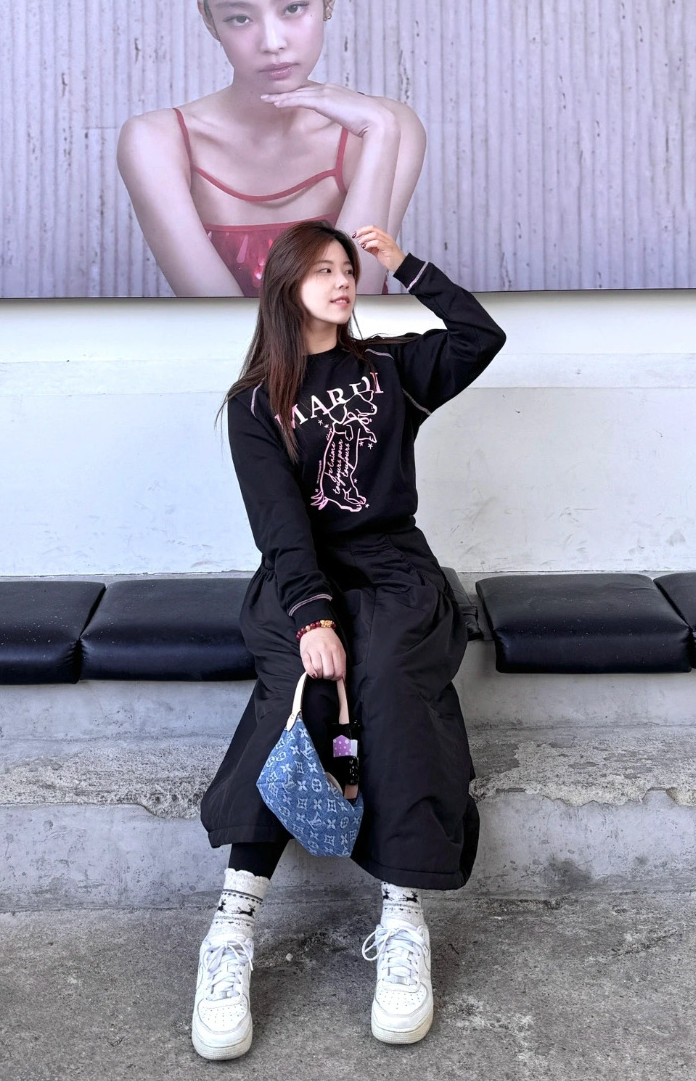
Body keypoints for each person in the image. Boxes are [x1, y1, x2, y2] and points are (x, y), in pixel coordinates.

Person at [191, 218, 506, 1059]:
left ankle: (402, 915)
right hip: (302, 576)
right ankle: (233, 922)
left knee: (393, 683)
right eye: (322, 270)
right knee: (302, 697)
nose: (341, 281)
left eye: (348, 269)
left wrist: (409, 264)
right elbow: (280, 523)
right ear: (286, 285)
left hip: (396, 570)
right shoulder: (255, 402)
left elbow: (480, 336)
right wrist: (312, 616)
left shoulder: (390, 368)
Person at [117, 0, 426, 297]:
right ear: (208, 19)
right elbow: (218, 324)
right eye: (240, 18)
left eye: (293, 8)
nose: (272, 42)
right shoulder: (155, 142)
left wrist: (380, 132)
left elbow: (353, 309)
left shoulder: (387, 126)